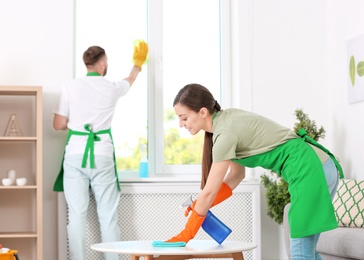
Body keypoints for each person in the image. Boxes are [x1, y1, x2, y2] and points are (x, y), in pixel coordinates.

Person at [166, 83, 343, 259]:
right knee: (307, 250)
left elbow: (210, 191)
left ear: (202, 112)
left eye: (184, 118)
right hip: (319, 166)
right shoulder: (226, 121)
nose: (181, 124)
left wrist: (186, 234)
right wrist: (200, 205)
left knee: (301, 252)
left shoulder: (224, 133)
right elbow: (236, 176)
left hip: (310, 168)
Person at [52, 41, 148, 260]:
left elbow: (58, 125)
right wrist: (138, 63)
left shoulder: (69, 86)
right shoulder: (112, 87)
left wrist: (78, 124)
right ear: (102, 64)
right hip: (102, 155)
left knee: (76, 215)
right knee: (108, 216)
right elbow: (130, 80)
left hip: (75, 154)